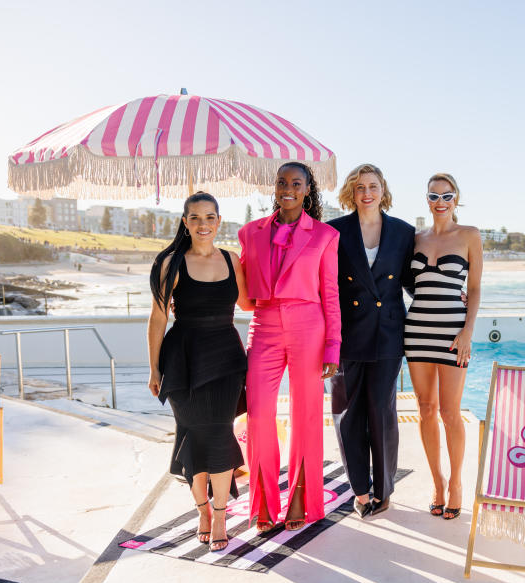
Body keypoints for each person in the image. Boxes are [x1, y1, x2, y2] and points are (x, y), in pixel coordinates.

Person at [238, 162, 340, 532]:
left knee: (306, 414)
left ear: (307, 190)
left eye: (296, 183)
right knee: (259, 414)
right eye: (282, 182)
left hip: (308, 327)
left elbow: (330, 293)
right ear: (274, 187)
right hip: (263, 325)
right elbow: (245, 299)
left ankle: (299, 495)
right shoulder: (249, 233)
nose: (288, 189)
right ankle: (263, 500)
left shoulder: (326, 236)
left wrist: (333, 346)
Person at [147, 192, 251, 552]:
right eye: (195, 218)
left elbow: (249, 303)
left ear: (219, 221)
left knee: (221, 434)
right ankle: (203, 510)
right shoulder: (171, 264)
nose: (203, 224)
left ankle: (220, 515)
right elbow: (158, 318)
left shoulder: (232, 260)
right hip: (183, 360)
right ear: (185, 221)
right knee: (193, 436)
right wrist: (154, 368)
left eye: (210, 217)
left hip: (226, 359)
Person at [328, 164, 414, 519]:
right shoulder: (334, 231)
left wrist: (455, 298)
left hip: (388, 333)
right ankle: (360, 490)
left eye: (373, 186)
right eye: (360, 186)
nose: (367, 192)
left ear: (383, 190)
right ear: (351, 191)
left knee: (381, 411)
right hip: (346, 334)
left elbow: (412, 282)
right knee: (348, 415)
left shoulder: (404, 232)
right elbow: (326, 287)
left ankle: (384, 488)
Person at [405, 173, 482, 520]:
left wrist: (467, 331)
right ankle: (437, 482)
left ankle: (456, 484)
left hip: (453, 333)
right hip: (417, 329)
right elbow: (409, 283)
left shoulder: (469, 236)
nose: (440, 202)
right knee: (425, 408)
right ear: (426, 198)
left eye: (447, 196)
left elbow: (476, 289)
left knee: (451, 412)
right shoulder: (415, 238)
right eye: (434, 195)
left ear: (456, 199)